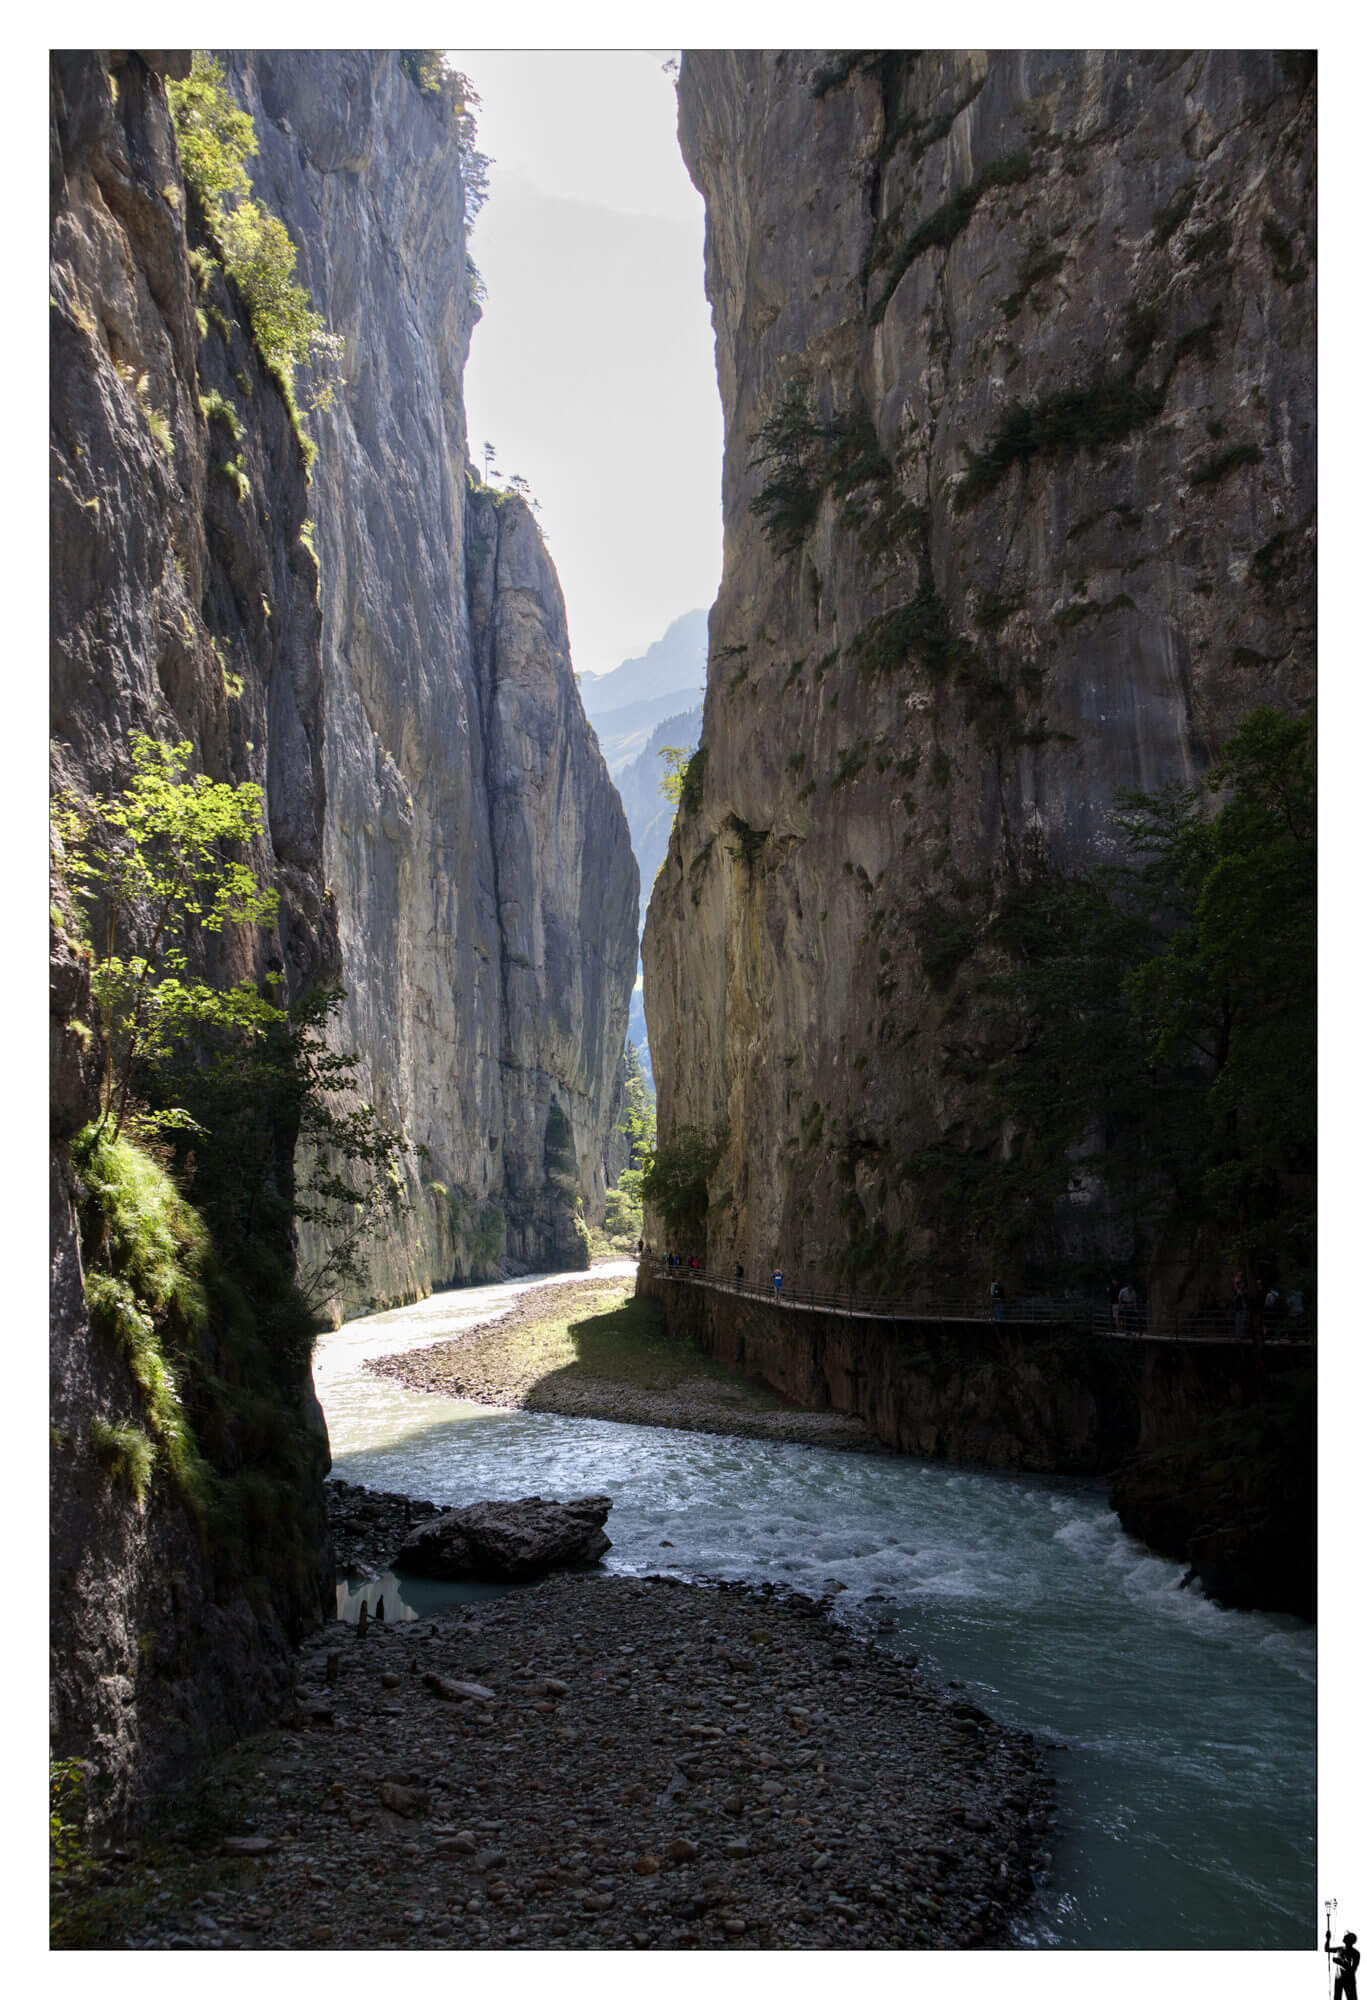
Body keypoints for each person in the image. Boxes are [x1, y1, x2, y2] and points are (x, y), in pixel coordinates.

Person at [1331, 1932, 1360, 2000]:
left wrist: (1340, 1963)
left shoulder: (1355, 1953)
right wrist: (1328, 1938)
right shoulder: (1340, 1949)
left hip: (1348, 1980)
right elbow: (1326, 1949)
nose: (1344, 1937)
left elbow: (1353, 1969)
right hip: (1339, 1979)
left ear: (1349, 1940)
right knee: (1337, 1998)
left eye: (1346, 1936)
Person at [1232, 1273, 1250, 1340]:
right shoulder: (1235, 1290)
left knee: (1244, 1322)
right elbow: (1233, 1300)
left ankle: (1243, 1336)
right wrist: (1238, 1294)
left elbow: (1246, 1296)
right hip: (1238, 1308)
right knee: (1238, 1322)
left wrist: (1241, 1292)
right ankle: (1238, 1336)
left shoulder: (1245, 1289)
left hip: (1244, 1307)